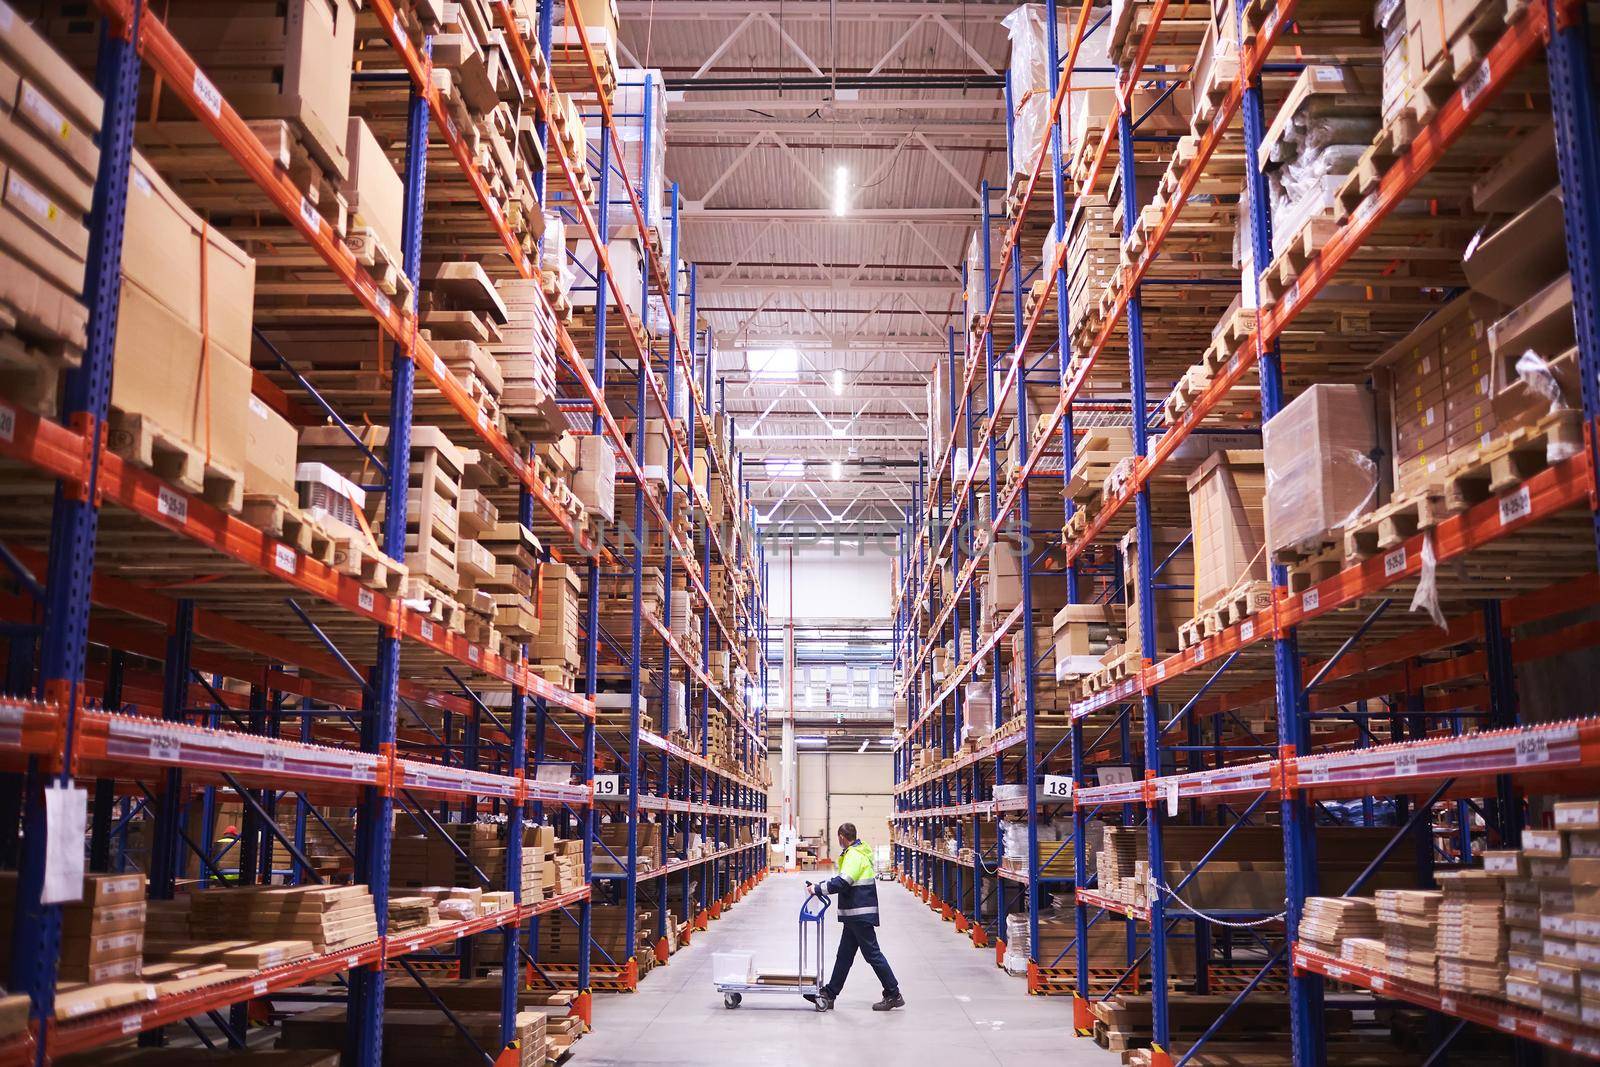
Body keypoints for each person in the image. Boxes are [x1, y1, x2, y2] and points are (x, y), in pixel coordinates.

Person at [804, 822, 904, 1011]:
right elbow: (841, 879)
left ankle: (893, 993)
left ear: (842, 837)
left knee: (873, 954)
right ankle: (830, 994)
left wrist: (817, 889)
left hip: (860, 915)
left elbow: (843, 882)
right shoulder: (857, 853)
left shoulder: (854, 855)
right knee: (844, 956)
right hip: (854, 916)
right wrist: (820, 884)